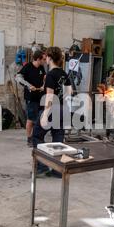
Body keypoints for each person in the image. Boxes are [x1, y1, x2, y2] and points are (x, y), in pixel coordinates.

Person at [32, 47, 72, 178]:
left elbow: (49, 97)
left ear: (49, 58)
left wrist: (45, 114)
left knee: (37, 135)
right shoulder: (64, 73)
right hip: (62, 109)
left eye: (46, 57)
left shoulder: (50, 74)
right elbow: (69, 92)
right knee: (58, 140)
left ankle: (42, 167)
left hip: (52, 109)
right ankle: (58, 170)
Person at [16, 50, 46, 147]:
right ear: (38, 59)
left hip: (41, 97)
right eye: (44, 59)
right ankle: (29, 139)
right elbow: (18, 77)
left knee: (40, 118)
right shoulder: (28, 67)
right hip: (31, 98)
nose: (45, 61)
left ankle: (37, 137)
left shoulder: (41, 67)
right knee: (31, 119)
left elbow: (45, 78)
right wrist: (29, 85)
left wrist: (43, 85)